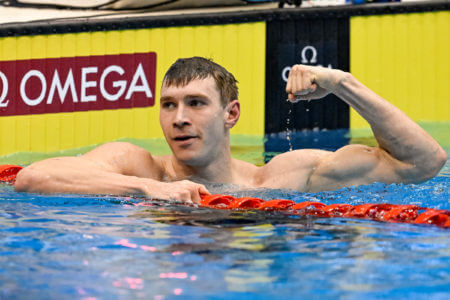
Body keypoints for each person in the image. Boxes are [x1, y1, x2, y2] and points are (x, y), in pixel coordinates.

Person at [14, 57, 447, 204]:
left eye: (196, 103)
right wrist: (145, 191)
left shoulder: (281, 178)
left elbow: (424, 162)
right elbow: (33, 178)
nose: (178, 118)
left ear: (231, 114)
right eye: (168, 105)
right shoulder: (139, 167)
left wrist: (342, 84)